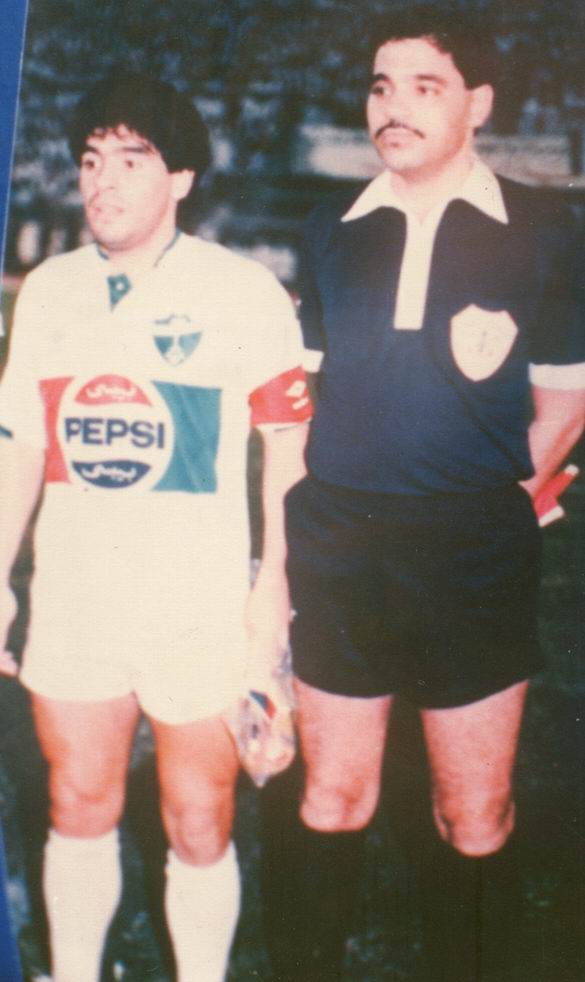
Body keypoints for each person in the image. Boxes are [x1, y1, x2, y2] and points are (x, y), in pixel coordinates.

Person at [261, 7, 585, 981]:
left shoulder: (544, 228)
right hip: (341, 544)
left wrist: (486, 501)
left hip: (472, 551)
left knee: (471, 815)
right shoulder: (332, 225)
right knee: (330, 799)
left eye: (423, 87)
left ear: (478, 104)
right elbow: (305, 401)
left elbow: (565, 401)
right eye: (380, 86)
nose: (392, 108)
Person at [0, 74, 311, 982]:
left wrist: (272, 591)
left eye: (131, 160)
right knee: (77, 802)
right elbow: (20, 448)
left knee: (199, 818)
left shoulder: (243, 291)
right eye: (91, 160)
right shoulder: (49, 291)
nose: (102, 181)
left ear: (180, 177)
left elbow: (289, 456)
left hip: (197, 605)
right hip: (74, 596)